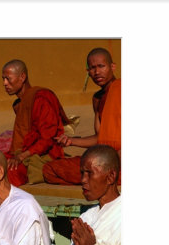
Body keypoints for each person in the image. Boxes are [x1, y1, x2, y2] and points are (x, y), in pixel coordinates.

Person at [43, 48, 121, 185]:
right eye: (92, 68)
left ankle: (100, 180)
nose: (97, 72)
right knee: (49, 170)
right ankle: (98, 181)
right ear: (88, 72)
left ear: (112, 67)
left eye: (101, 66)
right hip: (104, 159)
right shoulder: (97, 99)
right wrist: (71, 141)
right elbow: (101, 137)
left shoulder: (123, 89)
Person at [59, 144, 121, 245]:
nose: (83, 180)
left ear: (111, 177)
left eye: (89, 173)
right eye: (82, 173)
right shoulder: (87, 217)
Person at [2, 59, 71, 186]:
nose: (4, 83)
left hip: (44, 154)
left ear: (22, 77)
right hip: (24, 153)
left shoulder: (41, 98)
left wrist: (22, 156)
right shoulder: (19, 104)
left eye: (8, 78)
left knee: (8, 174)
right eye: (3, 79)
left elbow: (47, 138)